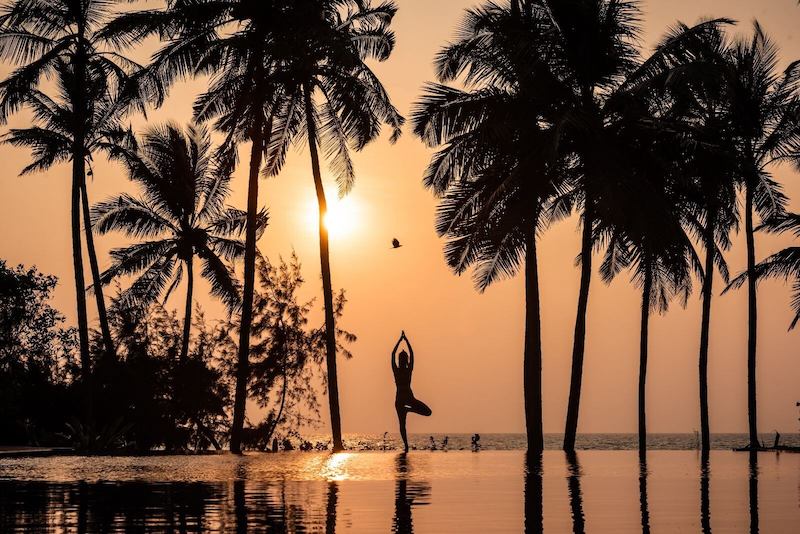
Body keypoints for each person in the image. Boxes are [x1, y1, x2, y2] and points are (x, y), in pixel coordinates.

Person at [392, 331, 432, 452]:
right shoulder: (406, 370)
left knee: (402, 425)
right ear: (406, 359)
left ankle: (406, 447)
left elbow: (392, 354)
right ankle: (409, 410)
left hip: (401, 400)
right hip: (408, 398)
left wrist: (400, 340)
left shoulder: (397, 370)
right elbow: (411, 354)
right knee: (427, 412)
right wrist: (406, 340)